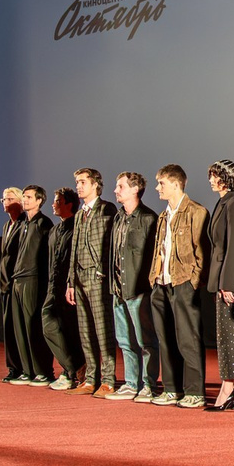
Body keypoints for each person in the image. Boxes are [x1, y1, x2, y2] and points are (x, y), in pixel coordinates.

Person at [148, 165, 209, 409]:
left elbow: (202, 251)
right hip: (161, 283)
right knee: (165, 339)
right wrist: (154, 278)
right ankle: (172, 389)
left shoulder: (196, 211)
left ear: (176, 184)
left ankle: (195, 392)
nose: (157, 188)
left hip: (183, 283)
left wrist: (193, 282)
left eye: (161, 183)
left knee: (188, 338)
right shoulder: (163, 216)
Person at [67, 168, 119, 398]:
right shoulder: (80, 214)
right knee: (85, 331)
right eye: (77, 182)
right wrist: (71, 281)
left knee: (103, 330)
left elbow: (108, 244)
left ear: (95, 184)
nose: (78, 186)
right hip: (79, 277)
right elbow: (74, 248)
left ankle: (108, 380)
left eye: (83, 182)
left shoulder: (107, 209)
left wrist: (102, 272)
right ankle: (90, 378)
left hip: (97, 278)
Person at [107, 172, 159, 401]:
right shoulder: (118, 218)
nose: (116, 191)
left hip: (139, 291)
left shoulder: (148, 218)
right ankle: (131, 383)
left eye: (120, 186)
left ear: (135, 189)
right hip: (118, 289)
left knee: (146, 341)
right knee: (125, 341)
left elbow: (152, 256)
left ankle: (149, 385)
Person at [204, 160, 234, 411]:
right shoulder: (222, 203)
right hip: (221, 279)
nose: (211, 180)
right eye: (211, 176)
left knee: (230, 335)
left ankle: (228, 388)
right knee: (226, 335)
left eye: (216, 176)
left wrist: (228, 284)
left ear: (227, 178)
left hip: (229, 280)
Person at [43, 188, 87, 392]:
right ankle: (74, 369)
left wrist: (72, 285)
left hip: (70, 289)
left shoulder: (77, 227)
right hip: (54, 288)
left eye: (58, 201)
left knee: (71, 331)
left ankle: (73, 372)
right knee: (49, 326)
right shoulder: (54, 230)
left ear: (69, 204)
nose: (54, 205)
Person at [11, 186, 53, 386]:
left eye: (28, 197)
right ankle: (27, 371)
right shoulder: (22, 223)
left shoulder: (44, 223)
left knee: (33, 327)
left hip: (34, 280)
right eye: (24, 197)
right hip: (18, 279)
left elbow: (46, 255)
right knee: (20, 328)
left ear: (39, 200)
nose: (24, 200)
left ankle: (43, 371)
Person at [0, 186, 28, 383]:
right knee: (8, 328)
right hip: (5, 283)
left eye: (9, 199)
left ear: (19, 202)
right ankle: (13, 367)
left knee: (20, 328)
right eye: (3, 200)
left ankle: (25, 368)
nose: (6, 203)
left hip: (19, 282)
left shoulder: (25, 223)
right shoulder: (6, 225)